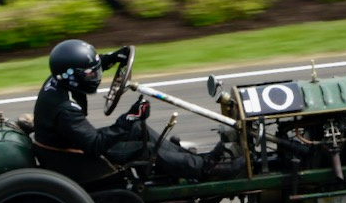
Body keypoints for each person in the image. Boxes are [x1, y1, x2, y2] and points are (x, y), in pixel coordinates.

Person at [33, 40, 245, 181]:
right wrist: (129, 116)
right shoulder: (65, 108)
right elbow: (95, 145)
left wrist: (112, 58)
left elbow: (87, 66)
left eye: (96, 71)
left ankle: (194, 161)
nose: (96, 77)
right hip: (76, 160)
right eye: (91, 74)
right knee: (146, 149)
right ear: (71, 76)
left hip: (70, 146)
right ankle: (207, 170)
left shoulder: (60, 78)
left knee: (137, 128)